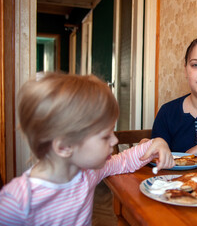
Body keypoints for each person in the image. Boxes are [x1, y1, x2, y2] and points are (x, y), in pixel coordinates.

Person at [0, 72, 175, 225]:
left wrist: (156, 143)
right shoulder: (17, 201)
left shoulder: (86, 172)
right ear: (64, 146)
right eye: (105, 136)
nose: (114, 140)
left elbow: (123, 161)